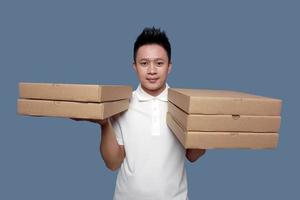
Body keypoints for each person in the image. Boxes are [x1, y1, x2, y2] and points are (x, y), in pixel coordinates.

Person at [81, 27, 206, 199]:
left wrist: (207, 124)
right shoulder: (121, 104)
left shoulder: (183, 105)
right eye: (144, 63)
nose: (152, 70)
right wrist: (104, 124)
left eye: (159, 63)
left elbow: (193, 155)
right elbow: (113, 163)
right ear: (135, 66)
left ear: (169, 66)